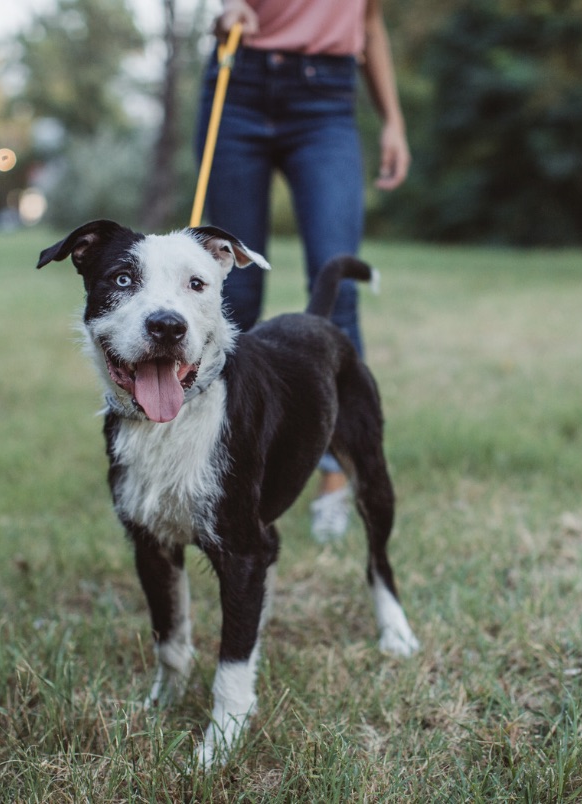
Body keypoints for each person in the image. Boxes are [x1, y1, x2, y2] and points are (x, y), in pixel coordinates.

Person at [196, 0, 410, 542]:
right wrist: (228, 11)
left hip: (327, 101)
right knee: (232, 291)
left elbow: (370, 22)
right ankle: (216, 463)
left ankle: (335, 476)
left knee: (338, 292)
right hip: (240, 81)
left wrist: (393, 122)